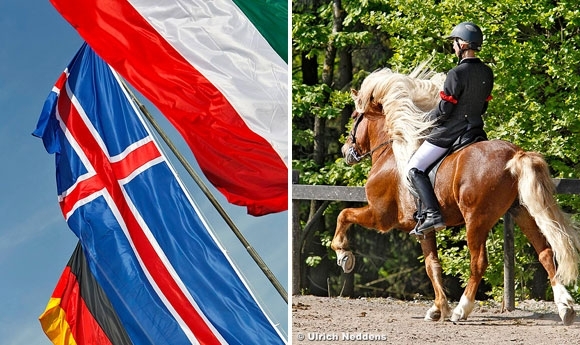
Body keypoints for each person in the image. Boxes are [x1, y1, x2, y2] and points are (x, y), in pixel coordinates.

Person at [407, 22, 494, 237]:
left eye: (454, 43)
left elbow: (445, 109)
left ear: (463, 44)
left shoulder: (456, 73)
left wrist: (424, 120)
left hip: (451, 133)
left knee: (414, 168)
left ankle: (432, 214)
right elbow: (483, 106)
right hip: (475, 130)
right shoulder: (487, 72)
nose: (453, 47)